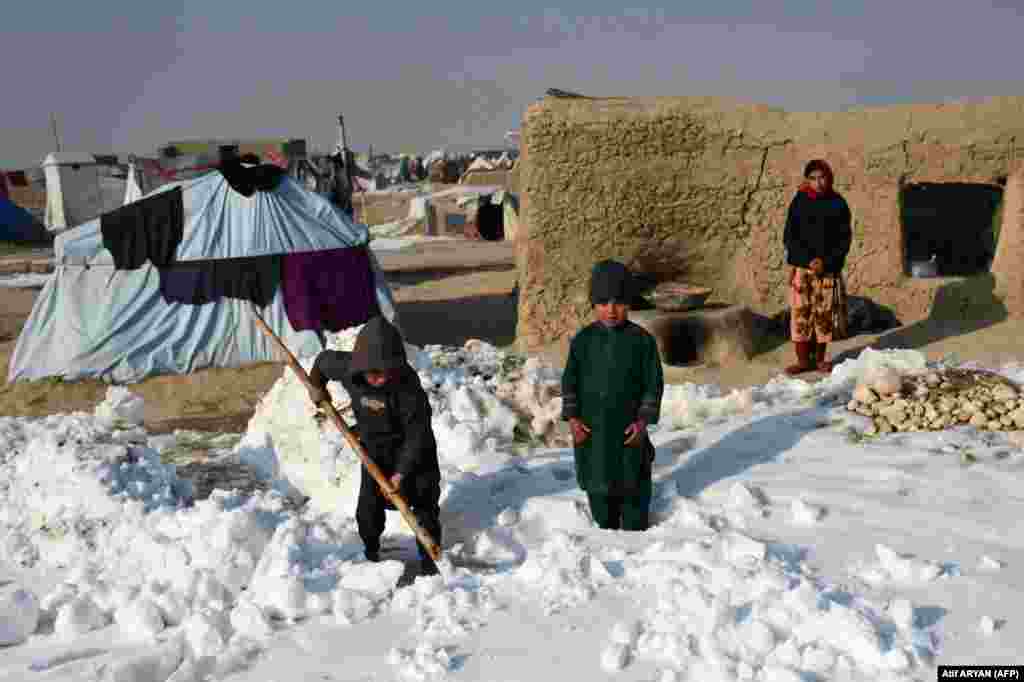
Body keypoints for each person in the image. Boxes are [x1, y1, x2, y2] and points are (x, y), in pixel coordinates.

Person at [306, 316, 442, 575]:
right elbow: (323, 362)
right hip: (374, 453)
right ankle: (370, 556)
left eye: (385, 372)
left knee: (424, 512)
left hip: (414, 456)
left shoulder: (409, 390)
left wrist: (400, 474)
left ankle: (430, 567)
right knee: (368, 511)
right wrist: (316, 387)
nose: (379, 378)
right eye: (373, 372)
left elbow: (418, 436)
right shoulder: (349, 369)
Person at [561, 260, 665, 531]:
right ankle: (605, 529)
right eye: (603, 302)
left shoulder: (642, 342)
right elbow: (569, 382)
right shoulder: (583, 341)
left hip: (629, 432)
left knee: (634, 493)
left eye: (618, 302)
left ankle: (635, 530)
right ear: (594, 304)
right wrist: (573, 420)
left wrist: (642, 423)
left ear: (629, 303)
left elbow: (653, 385)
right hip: (592, 433)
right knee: (600, 501)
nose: (611, 310)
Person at [782, 159, 853, 375]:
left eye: (822, 177)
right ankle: (803, 361)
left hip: (827, 269)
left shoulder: (838, 203)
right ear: (807, 180)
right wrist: (806, 260)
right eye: (812, 178)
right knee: (801, 313)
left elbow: (844, 240)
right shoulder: (799, 202)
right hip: (803, 269)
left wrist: (826, 262)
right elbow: (789, 236)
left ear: (829, 178)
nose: (818, 182)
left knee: (823, 315)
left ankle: (820, 359)